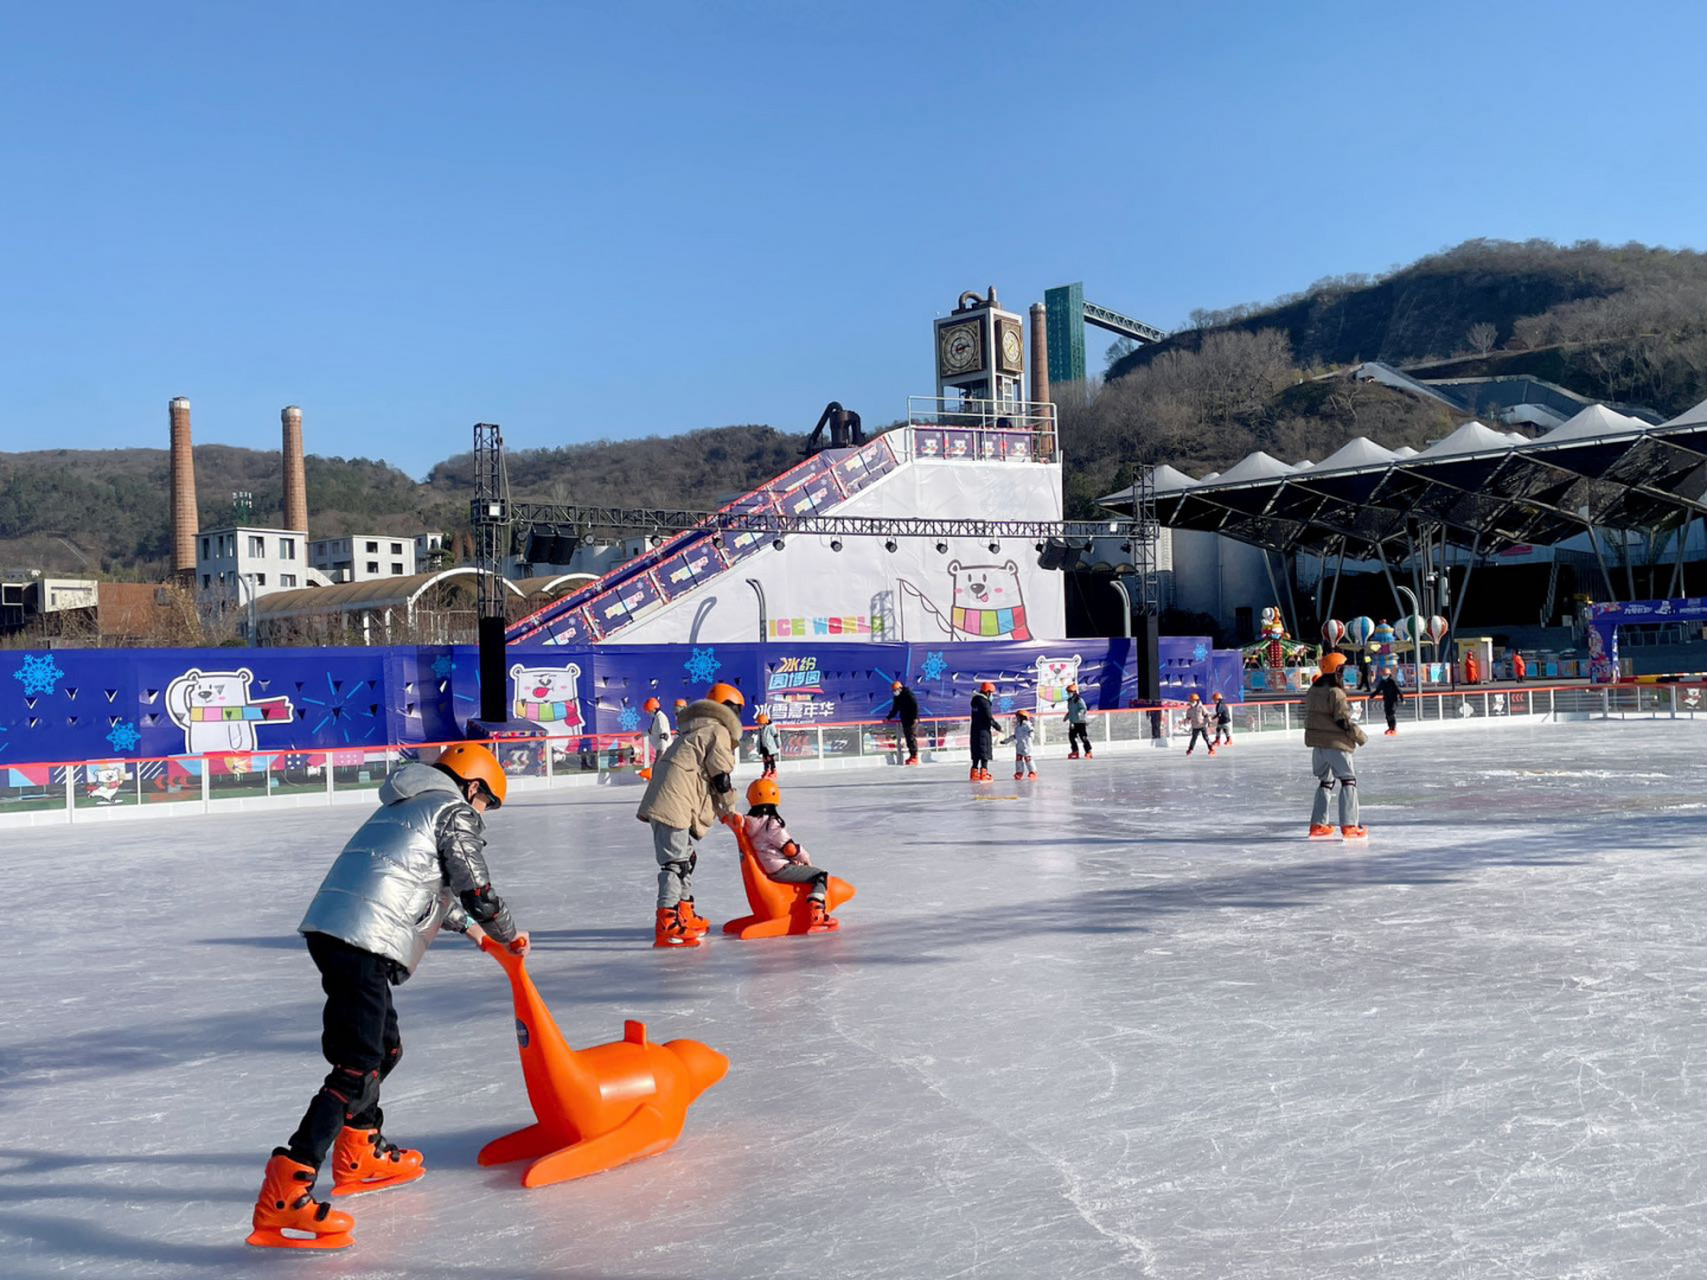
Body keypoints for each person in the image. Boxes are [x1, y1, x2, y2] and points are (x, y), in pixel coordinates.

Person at [248, 743, 526, 1251]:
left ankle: (359, 1149)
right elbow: (474, 888)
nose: (483, 815)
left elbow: (418, 884)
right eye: (487, 804)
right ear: (473, 786)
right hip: (362, 939)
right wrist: (507, 931)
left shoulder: (407, 804)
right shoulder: (452, 809)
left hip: (343, 931)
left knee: (385, 1048)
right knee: (355, 1066)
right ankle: (287, 1189)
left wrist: (478, 937)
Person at [636, 682, 744, 947]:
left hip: (671, 800)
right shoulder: (716, 730)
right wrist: (729, 810)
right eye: (738, 710)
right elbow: (721, 778)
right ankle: (667, 922)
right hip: (672, 802)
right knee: (675, 863)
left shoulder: (695, 730)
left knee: (686, 857)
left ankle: (684, 912)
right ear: (728, 709)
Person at [741, 777, 839, 931]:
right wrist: (804, 856)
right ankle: (817, 912)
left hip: (767, 867)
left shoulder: (749, 823)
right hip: (780, 868)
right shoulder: (771, 824)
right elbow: (789, 849)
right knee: (820, 875)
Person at [1305, 653, 1369, 839]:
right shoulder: (1336, 692)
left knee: (1326, 782)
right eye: (1342, 668)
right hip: (1336, 744)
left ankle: (1318, 824)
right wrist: (1359, 736)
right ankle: (1349, 825)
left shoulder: (1312, 690)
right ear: (1336, 670)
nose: (1344, 671)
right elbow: (1342, 720)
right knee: (1348, 780)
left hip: (1318, 744)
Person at [969, 681, 1000, 782]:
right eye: (992, 693)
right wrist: (997, 726)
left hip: (974, 729)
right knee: (984, 750)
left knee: (976, 751)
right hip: (983, 730)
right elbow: (988, 717)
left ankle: (974, 772)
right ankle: (984, 773)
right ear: (988, 692)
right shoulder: (984, 702)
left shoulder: (975, 701)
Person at [886, 679, 920, 765]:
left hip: (912, 719)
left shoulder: (908, 694)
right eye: (893, 691)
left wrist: (915, 717)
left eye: (895, 690)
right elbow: (895, 709)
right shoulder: (897, 697)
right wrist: (889, 717)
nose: (894, 692)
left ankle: (915, 756)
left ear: (900, 688)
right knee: (908, 738)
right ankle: (912, 755)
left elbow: (915, 706)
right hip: (905, 719)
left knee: (911, 737)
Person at [1001, 708, 1036, 779]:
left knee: (1028, 759)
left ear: (1023, 717)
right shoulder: (1018, 727)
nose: (1017, 719)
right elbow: (1015, 736)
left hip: (1027, 745)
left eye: (1018, 717)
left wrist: (1031, 736)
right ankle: (1019, 772)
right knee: (1018, 760)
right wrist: (1006, 741)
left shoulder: (1027, 725)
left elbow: (1031, 731)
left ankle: (1032, 772)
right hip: (1019, 745)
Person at [641, 696, 671, 780]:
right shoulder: (657, 717)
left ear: (653, 709)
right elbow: (652, 731)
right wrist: (641, 735)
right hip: (661, 747)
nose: (648, 713)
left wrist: (662, 748)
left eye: (649, 711)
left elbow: (663, 733)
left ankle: (657, 782)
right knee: (658, 766)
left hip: (663, 747)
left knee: (658, 767)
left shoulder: (661, 717)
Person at [1063, 682, 1093, 759]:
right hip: (1073, 722)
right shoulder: (1070, 701)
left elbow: (1084, 708)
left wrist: (1081, 713)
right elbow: (1071, 710)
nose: (1068, 693)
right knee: (1072, 738)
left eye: (1070, 692)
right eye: (1068, 692)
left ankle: (1088, 751)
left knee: (1083, 737)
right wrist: (1067, 716)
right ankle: (1075, 751)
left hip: (1080, 722)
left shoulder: (1079, 700)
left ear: (1074, 692)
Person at [1369, 670, 1403, 735]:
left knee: (1391, 714)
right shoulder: (1382, 682)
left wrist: (1402, 699)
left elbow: (1399, 690)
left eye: (1385, 675)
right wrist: (1372, 696)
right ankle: (1390, 727)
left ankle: (1393, 728)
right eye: (1383, 675)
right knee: (1387, 715)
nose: (1384, 676)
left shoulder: (1392, 682)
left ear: (1389, 675)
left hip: (1393, 701)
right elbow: (1378, 690)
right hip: (1386, 700)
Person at [1183, 692, 1215, 757]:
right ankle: (1190, 749)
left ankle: (1211, 749)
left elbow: (1206, 715)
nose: (1192, 702)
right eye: (1191, 701)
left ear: (1196, 701)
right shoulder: (1189, 710)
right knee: (1193, 738)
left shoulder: (1201, 707)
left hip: (1202, 725)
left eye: (1193, 701)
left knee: (1206, 738)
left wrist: (1209, 722)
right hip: (1195, 726)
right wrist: (1186, 721)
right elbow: (1188, 717)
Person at [755, 711, 780, 777]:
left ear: (765, 723)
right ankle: (766, 770)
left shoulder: (770, 728)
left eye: (761, 724)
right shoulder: (760, 730)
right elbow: (759, 739)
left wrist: (778, 744)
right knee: (765, 759)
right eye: (759, 724)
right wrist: (758, 747)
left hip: (770, 747)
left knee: (770, 759)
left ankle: (773, 770)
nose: (759, 725)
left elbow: (776, 735)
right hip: (764, 747)